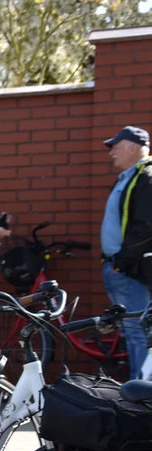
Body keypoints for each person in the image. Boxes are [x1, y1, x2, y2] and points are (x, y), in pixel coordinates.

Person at [100, 125, 152, 379]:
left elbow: (145, 226)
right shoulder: (129, 177)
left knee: (138, 332)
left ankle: (141, 397)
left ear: (133, 147)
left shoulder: (147, 177)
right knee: (133, 333)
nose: (112, 153)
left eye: (116, 147)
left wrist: (122, 261)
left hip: (130, 271)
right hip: (119, 269)